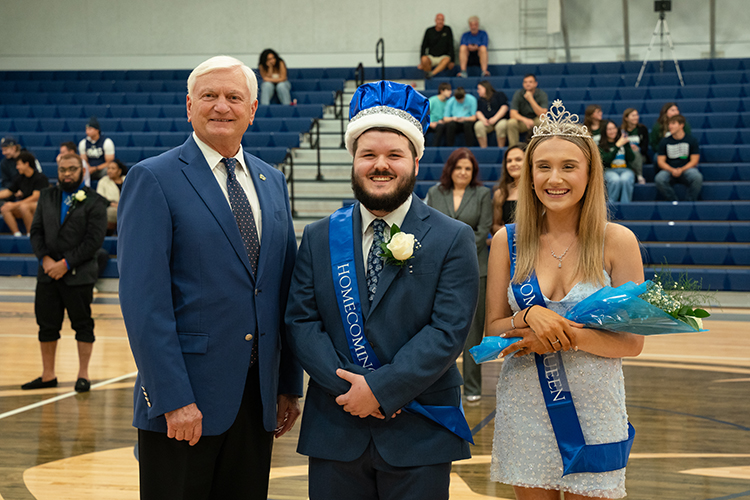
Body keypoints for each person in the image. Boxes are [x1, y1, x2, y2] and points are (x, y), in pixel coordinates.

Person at [117, 55, 303, 500]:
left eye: (234, 96)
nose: (222, 105)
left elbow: (283, 291)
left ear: (253, 109)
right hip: (185, 404)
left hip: (256, 401)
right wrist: (173, 398)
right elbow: (145, 304)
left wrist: (286, 385)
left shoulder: (272, 180)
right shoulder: (153, 178)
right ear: (188, 105)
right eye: (210, 96)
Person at [285, 80, 479, 500]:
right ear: (353, 160)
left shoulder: (453, 237)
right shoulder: (319, 236)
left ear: (415, 161)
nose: (381, 165)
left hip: (420, 428)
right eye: (368, 155)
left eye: (394, 155)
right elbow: (300, 321)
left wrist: (380, 389)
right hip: (336, 426)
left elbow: (448, 331)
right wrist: (352, 392)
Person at [485, 100, 644, 498]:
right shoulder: (507, 241)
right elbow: (493, 328)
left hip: (595, 408)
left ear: (590, 173)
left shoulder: (617, 241)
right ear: (530, 175)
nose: (555, 178)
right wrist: (529, 316)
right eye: (544, 167)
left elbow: (633, 342)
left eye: (569, 166)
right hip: (526, 404)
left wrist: (559, 333)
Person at [23, 153, 108, 393]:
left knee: (83, 325)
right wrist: (46, 260)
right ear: (57, 171)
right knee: (46, 325)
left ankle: (83, 375)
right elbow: (36, 231)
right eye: (63, 170)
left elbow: (94, 241)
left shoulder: (95, 201)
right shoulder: (46, 196)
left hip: (78, 275)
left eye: (72, 169)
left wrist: (66, 264)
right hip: (48, 273)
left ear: (82, 171)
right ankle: (48, 375)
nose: (67, 174)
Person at [426, 148, 491, 402]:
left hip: (477, 268)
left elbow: (483, 229)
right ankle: (439, 385)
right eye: (458, 167)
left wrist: (453, 247)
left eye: (468, 168)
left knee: (474, 332)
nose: (463, 172)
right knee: (439, 328)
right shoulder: (435, 193)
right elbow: (429, 226)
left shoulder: (483, 193)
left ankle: (473, 388)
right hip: (441, 270)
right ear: (450, 170)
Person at [0, 151, 49, 237]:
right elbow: (8, 192)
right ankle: (17, 234)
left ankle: (31, 234)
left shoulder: (40, 178)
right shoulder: (19, 178)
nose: (17, 167)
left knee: (24, 207)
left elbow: (36, 197)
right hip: (25, 205)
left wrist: (15, 204)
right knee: (5, 208)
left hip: (41, 206)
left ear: (26, 164)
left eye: (19, 164)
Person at [655, 114, 702, 201]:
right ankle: (673, 201)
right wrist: (672, 170)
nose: (670, 126)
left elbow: (694, 161)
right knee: (659, 179)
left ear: (681, 125)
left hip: (686, 169)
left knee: (697, 177)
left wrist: (681, 169)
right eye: (669, 124)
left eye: (673, 123)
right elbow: (660, 161)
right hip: (669, 170)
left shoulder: (691, 140)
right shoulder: (664, 141)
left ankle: (689, 202)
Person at [599, 120, 644, 203]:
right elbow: (606, 161)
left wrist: (626, 145)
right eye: (609, 129)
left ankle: (625, 205)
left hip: (625, 169)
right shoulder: (601, 145)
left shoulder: (623, 142)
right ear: (604, 131)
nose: (612, 131)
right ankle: (611, 205)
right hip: (609, 170)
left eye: (614, 128)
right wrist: (617, 146)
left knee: (625, 179)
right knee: (615, 180)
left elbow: (631, 158)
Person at [491, 143, 526, 235]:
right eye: (509, 161)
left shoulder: (538, 190)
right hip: (509, 243)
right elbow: (494, 226)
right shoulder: (500, 193)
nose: (513, 164)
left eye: (518, 160)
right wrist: (510, 230)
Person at [507, 74, 548, 147]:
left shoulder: (541, 94)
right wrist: (525, 120)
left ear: (535, 84)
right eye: (525, 82)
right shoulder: (518, 94)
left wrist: (530, 99)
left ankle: (543, 146)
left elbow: (543, 113)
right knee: (511, 122)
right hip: (523, 121)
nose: (527, 84)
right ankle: (513, 148)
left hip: (535, 119)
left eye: (530, 82)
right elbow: (513, 114)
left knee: (544, 120)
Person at [419, 13, 455, 79]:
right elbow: (423, 46)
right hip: (431, 57)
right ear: (435, 20)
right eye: (439, 20)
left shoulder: (447, 29)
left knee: (447, 59)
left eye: (442, 20)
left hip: (443, 57)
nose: (440, 22)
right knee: (424, 59)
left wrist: (452, 61)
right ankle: (428, 74)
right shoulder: (429, 31)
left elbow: (451, 45)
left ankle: (432, 74)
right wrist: (421, 62)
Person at [474, 80, 509, 148]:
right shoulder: (480, 100)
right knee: (478, 125)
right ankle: (484, 149)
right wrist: (483, 120)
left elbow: (504, 107)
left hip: (499, 120)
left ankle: (500, 149)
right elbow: (478, 112)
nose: (478, 91)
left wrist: (495, 118)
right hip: (487, 122)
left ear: (485, 88)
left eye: (479, 89)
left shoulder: (499, 95)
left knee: (501, 126)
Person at [78, 117, 115, 181]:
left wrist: (95, 168)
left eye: (90, 129)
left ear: (97, 130)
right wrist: (89, 168)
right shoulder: (83, 143)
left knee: (109, 170)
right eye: (86, 129)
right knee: (80, 171)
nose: (87, 132)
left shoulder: (107, 142)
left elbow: (109, 162)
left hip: (102, 168)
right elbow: (84, 161)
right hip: (89, 169)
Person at [95, 158, 126, 235]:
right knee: (110, 212)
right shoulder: (103, 181)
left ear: (119, 171)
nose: (109, 171)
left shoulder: (126, 179)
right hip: (110, 206)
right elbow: (99, 198)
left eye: (113, 168)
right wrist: (112, 204)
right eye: (108, 168)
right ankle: (110, 234)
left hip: (127, 206)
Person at [427, 82, 452, 147]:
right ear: (442, 91)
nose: (450, 92)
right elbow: (425, 113)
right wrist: (430, 123)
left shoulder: (448, 103)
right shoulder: (432, 100)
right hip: (429, 123)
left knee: (444, 126)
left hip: (440, 124)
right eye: (448, 90)